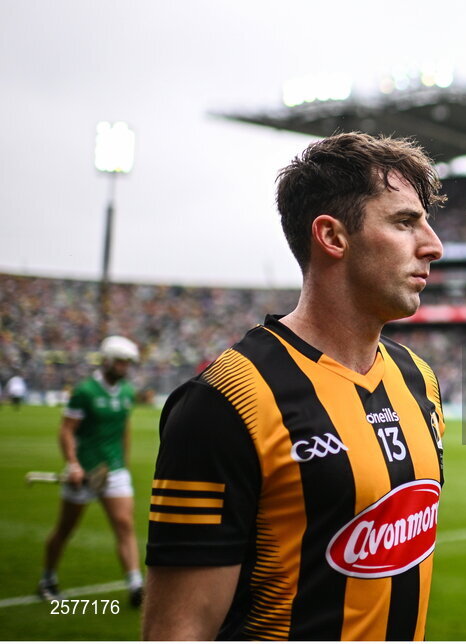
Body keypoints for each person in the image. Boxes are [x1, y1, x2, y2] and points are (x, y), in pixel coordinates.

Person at [143, 132, 447, 641]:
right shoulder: (226, 400)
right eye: (403, 222)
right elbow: (179, 630)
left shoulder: (420, 380)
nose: (433, 245)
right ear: (332, 237)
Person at [38, 335, 143, 607]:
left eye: (128, 363)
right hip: (83, 471)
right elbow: (67, 431)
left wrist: (124, 463)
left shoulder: (127, 392)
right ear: (107, 360)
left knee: (124, 524)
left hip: (115, 471)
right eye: (120, 362)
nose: (124, 367)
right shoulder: (85, 392)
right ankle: (47, 578)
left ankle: (135, 584)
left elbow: (124, 430)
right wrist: (73, 464)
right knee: (65, 529)